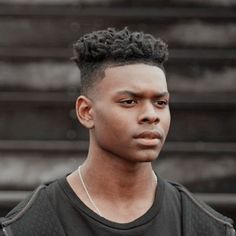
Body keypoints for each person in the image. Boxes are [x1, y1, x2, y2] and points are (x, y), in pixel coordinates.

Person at [0, 27, 235, 236]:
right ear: (86, 112)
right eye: (129, 102)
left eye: (160, 103)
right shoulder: (29, 226)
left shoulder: (204, 226)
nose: (151, 115)